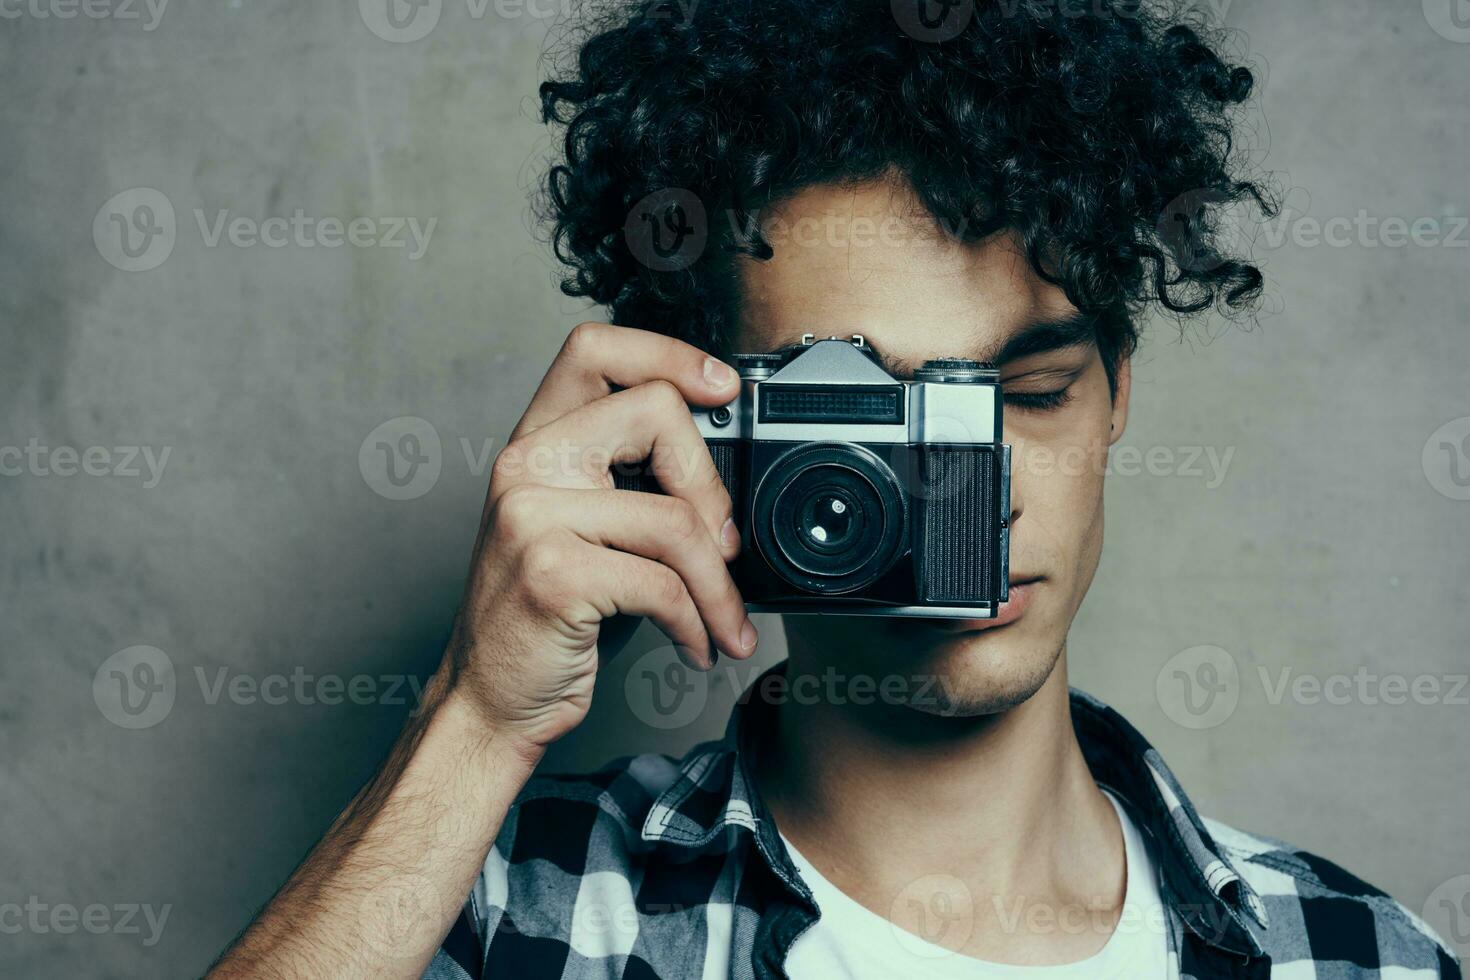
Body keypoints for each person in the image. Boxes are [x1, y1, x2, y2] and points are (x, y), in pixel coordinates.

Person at [209, 1, 1461, 977]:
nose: (985, 498)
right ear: (712, 427)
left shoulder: (1353, 953)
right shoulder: (509, 909)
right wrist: (472, 719)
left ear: (1116, 390)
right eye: (872, 418)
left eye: (1026, 396)